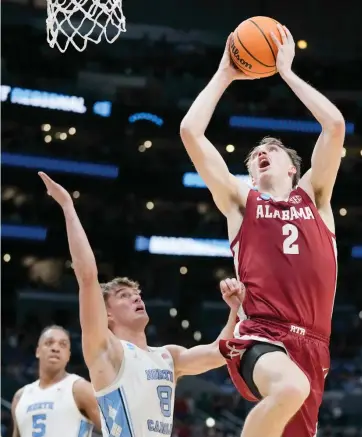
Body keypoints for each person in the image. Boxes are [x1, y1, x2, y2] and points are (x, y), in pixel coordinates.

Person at [180, 24, 344, 437]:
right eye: (254, 156)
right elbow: (190, 133)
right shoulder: (241, 201)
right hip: (260, 335)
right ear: (249, 174)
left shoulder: (316, 198)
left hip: (314, 346)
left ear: (293, 167)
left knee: (296, 401)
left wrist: (287, 72)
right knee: (290, 387)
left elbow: (335, 126)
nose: (260, 155)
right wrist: (224, 72)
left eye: (269, 150)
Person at [38, 171, 245, 437]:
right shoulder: (105, 349)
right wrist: (67, 206)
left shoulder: (169, 356)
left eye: (136, 293)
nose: (136, 297)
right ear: (107, 313)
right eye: (124, 295)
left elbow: (221, 352)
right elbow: (87, 276)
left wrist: (235, 308)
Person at [11, 325, 101, 437]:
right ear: (38, 351)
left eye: (63, 345)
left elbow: (117, 430)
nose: (55, 348)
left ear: (68, 355)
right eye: (49, 343)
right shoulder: (20, 397)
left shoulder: (80, 389)